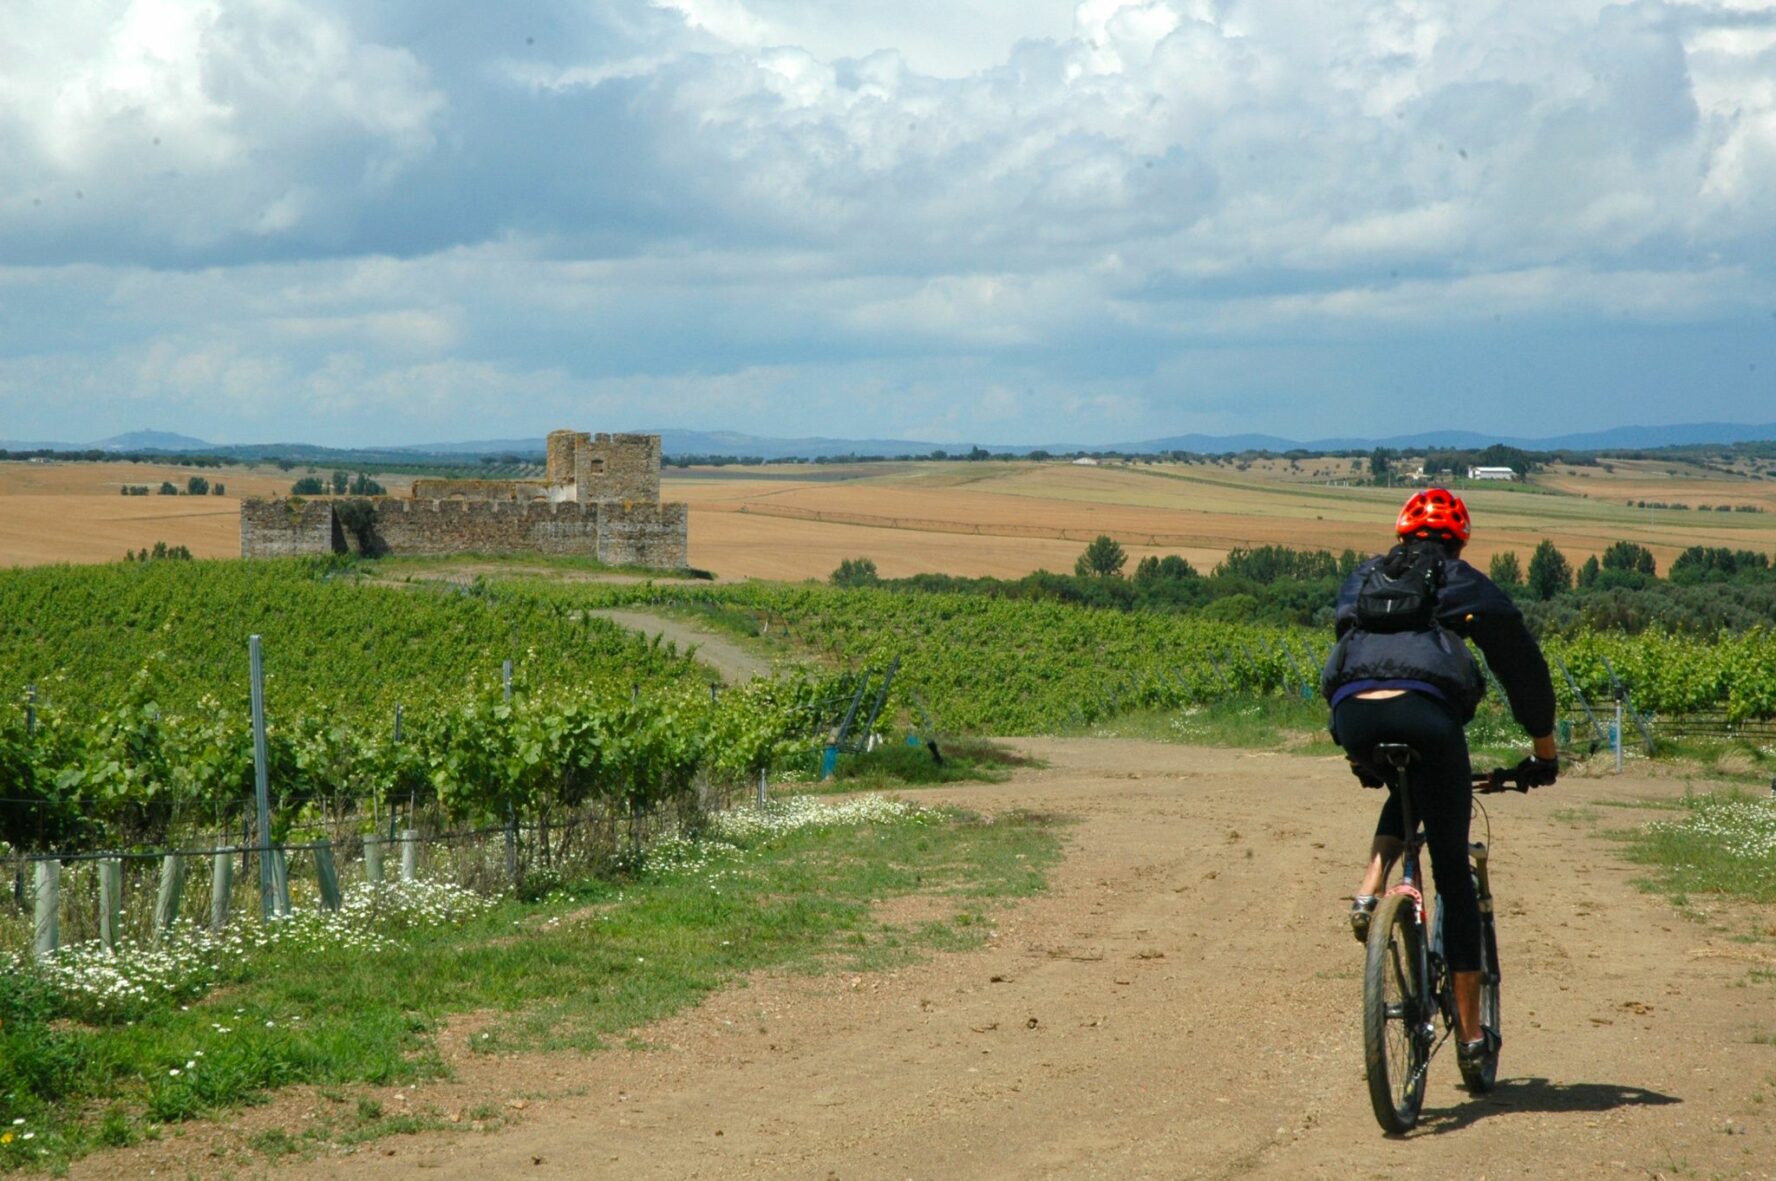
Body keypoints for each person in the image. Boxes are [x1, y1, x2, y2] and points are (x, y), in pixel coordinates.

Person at [1322, 487, 1559, 1073]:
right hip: (1426, 715)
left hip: (1352, 712)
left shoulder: (1365, 576)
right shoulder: (1460, 580)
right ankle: (1473, 1034)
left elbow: (1345, 638)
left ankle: (1370, 883)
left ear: (1402, 533)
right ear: (1458, 540)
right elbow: (1518, 661)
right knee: (1452, 873)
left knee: (1407, 789)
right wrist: (1542, 747)